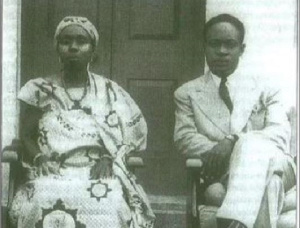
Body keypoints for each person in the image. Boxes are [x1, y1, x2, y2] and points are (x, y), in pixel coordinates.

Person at [9, 16, 155, 228]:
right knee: (41, 197)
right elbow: (27, 135)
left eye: (81, 41)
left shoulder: (110, 92)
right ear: (57, 47)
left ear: (92, 49)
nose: (73, 47)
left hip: (96, 169)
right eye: (66, 41)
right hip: (53, 169)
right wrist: (39, 158)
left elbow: (131, 134)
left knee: (110, 200)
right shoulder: (39, 90)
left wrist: (109, 157)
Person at [174, 14, 296, 228]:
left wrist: (233, 142)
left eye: (229, 44)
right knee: (271, 185)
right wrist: (232, 157)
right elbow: (184, 138)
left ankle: (233, 218)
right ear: (204, 47)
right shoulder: (187, 93)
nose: (222, 51)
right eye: (214, 44)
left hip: (276, 163)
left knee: (249, 144)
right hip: (226, 173)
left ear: (242, 48)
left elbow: (279, 134)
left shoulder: (266, 87)